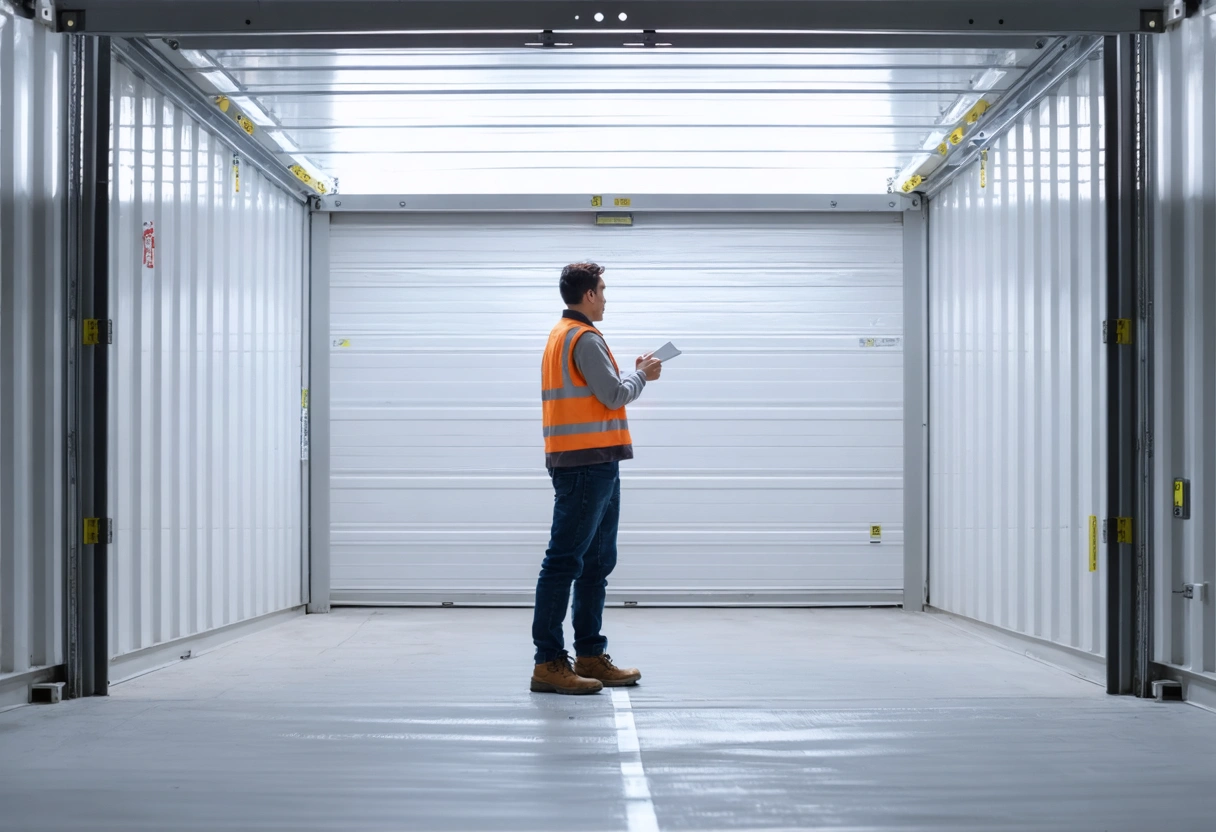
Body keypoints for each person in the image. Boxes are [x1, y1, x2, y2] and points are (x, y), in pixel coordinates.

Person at [530, 262, 663, 695]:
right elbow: (614, 395)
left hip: (594, 461)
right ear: (587, 294)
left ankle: (589, 654)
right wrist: (643, 374)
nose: (605, 297)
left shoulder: (562, 334)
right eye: (602, 290)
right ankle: (548, 662)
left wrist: (631, 373)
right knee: (566, 562)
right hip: (586, 464)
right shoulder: (583, 338)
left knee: (596, 563)